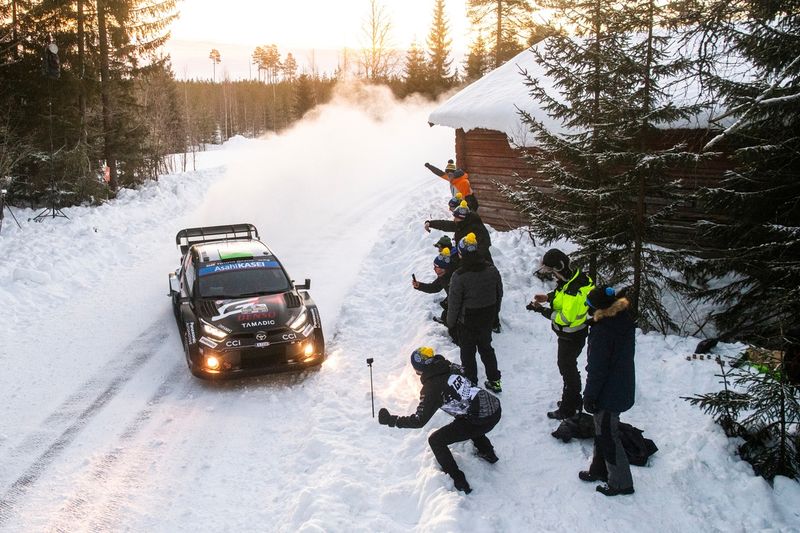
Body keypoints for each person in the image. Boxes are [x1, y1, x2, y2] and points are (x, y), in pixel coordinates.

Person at [378, 347, 501, 494]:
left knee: (436, 440)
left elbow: (419, 420)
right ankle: (488, 452)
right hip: (494, 406)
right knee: (466, 419)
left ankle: (459, 480)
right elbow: (465, 375)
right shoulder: (449, 366)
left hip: (481, 419)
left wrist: (392, 420)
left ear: (419, 370)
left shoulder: (431, 388)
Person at [579, 286, 636, 496]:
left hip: (608, 392)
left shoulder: (603, 331)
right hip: (620, 385)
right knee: (602, 431)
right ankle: (599, 469)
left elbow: (597, 369)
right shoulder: (621, 320)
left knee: (608, 436)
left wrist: (590, 395)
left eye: (590, 306)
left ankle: (621, 483)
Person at [527, 248, 594, 419]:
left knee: (567, 369)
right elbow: (561, 293)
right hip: (574, 334)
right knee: (569, 368)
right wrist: (548, 298)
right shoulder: (574, 278)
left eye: (553, 272)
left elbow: (564, 318)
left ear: (559, 268)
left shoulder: (574, 291)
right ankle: (574, 400)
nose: (553, 276)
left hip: (571, 336)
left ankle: (568, 408)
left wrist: (542, 310)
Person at [447, 233, 503, 393]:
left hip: (467, 322)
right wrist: (495, 315)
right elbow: (499, 294)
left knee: (468, 353)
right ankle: (495, 380)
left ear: (461, 253)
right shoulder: (492, 269)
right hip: (487, 318)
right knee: (486, 349)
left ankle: (471, 385)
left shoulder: (459, 276)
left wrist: (451, 324)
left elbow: (454, 304)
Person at [425, 200, 492, 264]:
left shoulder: (477, 230)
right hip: (465, 258)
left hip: (478, 263)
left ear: (463, 218)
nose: (454, 220)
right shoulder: (463, 223)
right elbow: (446, 225)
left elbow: (481, 251)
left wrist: (464, 263)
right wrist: (431, 223)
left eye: (456, 218)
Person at [413, 247, 457, 341]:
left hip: (462, 304)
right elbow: (434, 287)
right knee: (446, 317)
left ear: (444, 268)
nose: (435, 270)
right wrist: (419, 285)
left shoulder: (456, 276)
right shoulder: (443, 276)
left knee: (450, 320)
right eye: (434, 267)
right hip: (453, 301)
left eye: (437, 267)